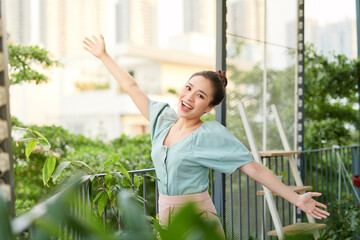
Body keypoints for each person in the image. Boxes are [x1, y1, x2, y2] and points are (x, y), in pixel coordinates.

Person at [83, 34, 329, 237]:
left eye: (200, 96)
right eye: (188, 88)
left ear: (209, 107)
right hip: (167, 218)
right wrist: (103, 55)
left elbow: (253, 168)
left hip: (198, 220)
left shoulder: (209, 134)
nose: (189, 97)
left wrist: (296, 200)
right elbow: (132, 87)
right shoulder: (162, 120)